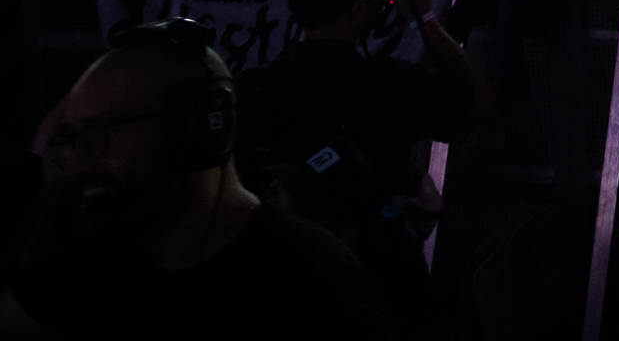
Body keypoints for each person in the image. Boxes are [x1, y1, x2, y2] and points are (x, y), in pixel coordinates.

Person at [5, 21, 390, 337]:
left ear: (198, 131)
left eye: (99, 135)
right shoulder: (96, 261)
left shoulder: (316, 288)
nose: (77, 162)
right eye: (71, 140)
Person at [238, 0, 497, 331]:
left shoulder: (253, 88)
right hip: (379, 283)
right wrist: (426, 16)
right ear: (360, 9)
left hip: (273, 283)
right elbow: (477, 101)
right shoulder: (387, 86)